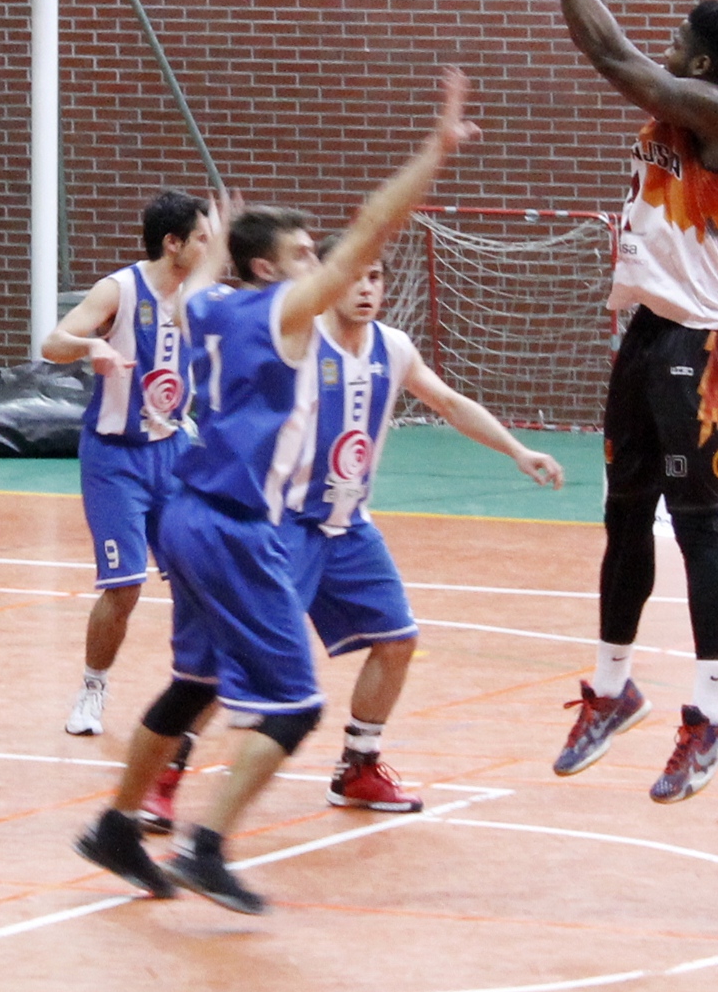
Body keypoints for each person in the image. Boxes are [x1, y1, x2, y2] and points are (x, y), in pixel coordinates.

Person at [75, 71, 476, 914]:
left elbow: (208, 273)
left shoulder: (206, 305)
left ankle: (116, 824)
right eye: (302, 255)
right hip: (235, 527)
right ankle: (207, 848)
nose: (320, 266)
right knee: (292, 706)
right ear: (273, 270)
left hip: (185, 511)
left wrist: (219, 242)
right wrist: (432, 151)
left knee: (196, 683)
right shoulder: (282, 317)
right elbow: (371, 226)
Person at [493, 0, 718, 804]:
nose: (665, 45)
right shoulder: (680, 92)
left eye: (677, 41)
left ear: (700, 65)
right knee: (623, 516)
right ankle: (612, 690)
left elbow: (615, 59)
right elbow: (615, 42)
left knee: (694, 526)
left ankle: (716, 712)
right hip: (648, 332)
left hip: (703, 344)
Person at [270, 237, 564, 813]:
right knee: (245, 652)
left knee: (398, 640)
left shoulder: (393, 347)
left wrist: (516, 451)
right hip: (288, 526)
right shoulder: (300, 342)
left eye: (375, 277)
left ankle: (358, 767)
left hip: (349, 527)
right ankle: (172, 764)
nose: (366, 288)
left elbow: (450, 404)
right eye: (354, 276)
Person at [42, 190, 222, 739]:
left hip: (172, 454)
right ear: (173, 244)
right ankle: (92, 688)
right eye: (202, 238)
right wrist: (89, 348)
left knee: (204, 577)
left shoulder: (206, 296)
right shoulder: (120, 289)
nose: (211, 247)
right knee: (124, 587)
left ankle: (208, 686)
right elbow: (53, 341)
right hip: (114, 458)